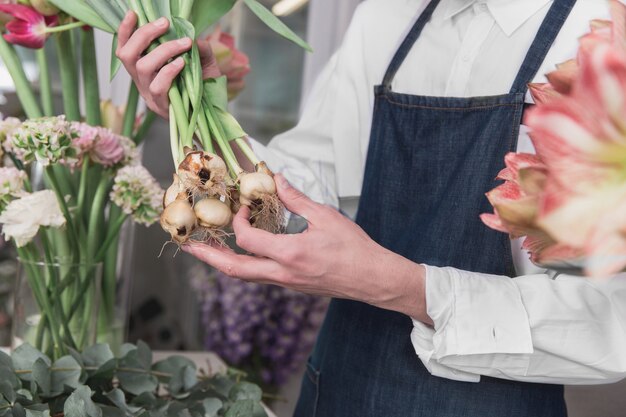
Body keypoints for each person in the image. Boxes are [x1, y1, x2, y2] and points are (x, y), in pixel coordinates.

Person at [117, 0, 626, 415]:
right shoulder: (384, 19)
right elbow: (305, 189)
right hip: (337, 391)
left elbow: (611, 325)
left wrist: (402, 288)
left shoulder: (602, 37)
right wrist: (201, 113)